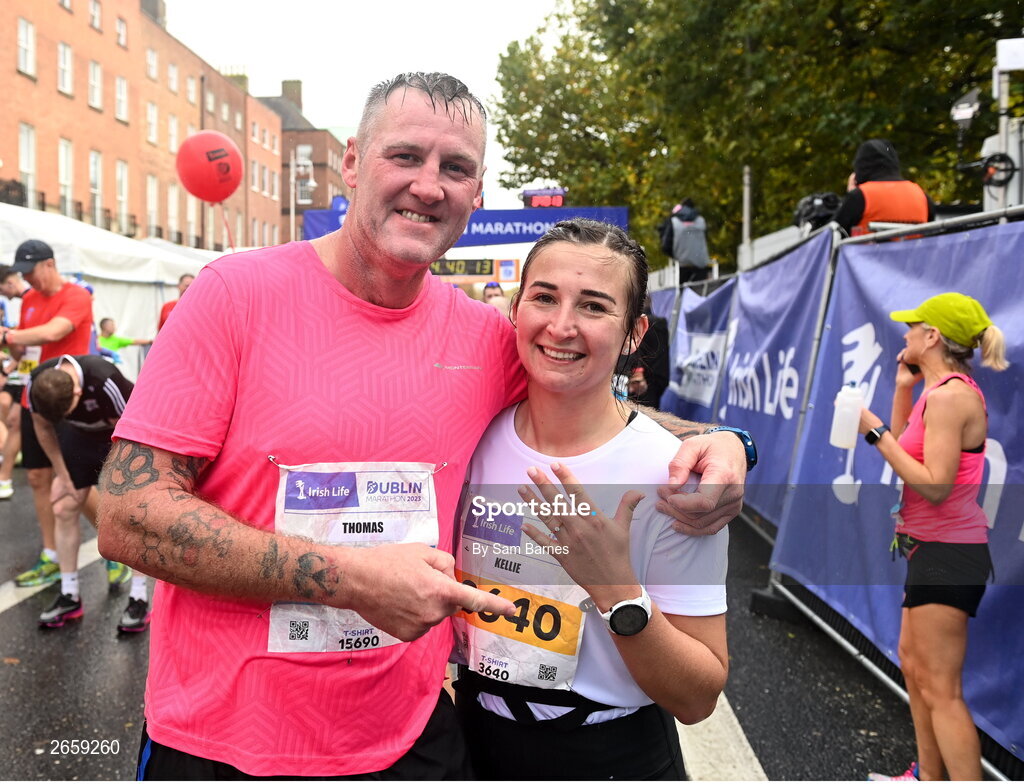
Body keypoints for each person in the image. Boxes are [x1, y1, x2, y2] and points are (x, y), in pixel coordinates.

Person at [96, 72, 749, 779]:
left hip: (412, 744)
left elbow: (580, 397)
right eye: (405, 156)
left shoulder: (483, 339)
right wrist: (351, 579)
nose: (429, 185)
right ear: (351, 162)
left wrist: (716, 442)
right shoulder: (234, 297)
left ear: (476, 192)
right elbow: (128, 515)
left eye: (456, 168)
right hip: (225, 746)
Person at [452, 219, 728, 780]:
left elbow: (699, 697)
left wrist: (617, 594)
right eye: (544, 297)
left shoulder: (671, 473)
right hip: (474, 743)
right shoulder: (468, 438)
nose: (561, 326)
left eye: (595, 307)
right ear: (515, 309)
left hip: (612, 757)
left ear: (633, 332)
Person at [857, 293, 1007, 782]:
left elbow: (936, 485)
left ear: (933, 337)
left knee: (941, 689)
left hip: (950, 553)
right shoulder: (934, 391)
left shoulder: (950, 397)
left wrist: (876, 431)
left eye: (912, 326)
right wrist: (902, 390)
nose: (904, 333)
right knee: (914, 668)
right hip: (930, 550)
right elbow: (905, 448)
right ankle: (926, 776)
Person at [0, 240, 101, 588]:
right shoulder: (28, 298)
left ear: (50, 264)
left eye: (31, 271)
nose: (28, 279)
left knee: (77, 482)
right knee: (38, 479)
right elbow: (25, 344)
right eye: (23, 273)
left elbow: (55, 331)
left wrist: (9, 333)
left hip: (67, 399)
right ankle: (51, 555)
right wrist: (11, 343)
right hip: (34, 396)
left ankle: (114, 548)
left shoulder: (77, 296)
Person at [25, 355, 150, 632]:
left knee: (131, 511)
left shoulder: (104, 378)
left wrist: (122, 480)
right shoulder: (37, 382)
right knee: (64, 506)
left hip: (119, 433)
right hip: (79, 435)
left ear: (78, 392)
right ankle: (70, 595)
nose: (63, 416)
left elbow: (134, 429)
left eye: (67, 410)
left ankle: (139, 598)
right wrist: (63, 473)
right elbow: (43, 427)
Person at [832, 139, 937, 237]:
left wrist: (851, 193)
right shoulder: (921, 196)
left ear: (861, 165)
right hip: (913, 256)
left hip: (870, 256)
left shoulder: (860, 196)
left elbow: (830, 236)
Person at [0, 265, 30, 500]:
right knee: (12, 420)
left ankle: (5, 477)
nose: (4, 298)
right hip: (22, 374)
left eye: (3, 291)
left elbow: (23, 343)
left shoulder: (32, 298)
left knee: (15, 423)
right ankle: (5, 478)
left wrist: (8, 338)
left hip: (36, 376)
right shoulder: (28, 302)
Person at [616, 294, 671, 409]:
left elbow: (633, 349)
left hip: (637, 382)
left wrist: (637, 371)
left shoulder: (634, 325)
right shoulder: (660, 323)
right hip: (650, 381)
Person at [658, 198, 711, 285]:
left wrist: (677, 255)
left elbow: (666, 246)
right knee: (698, 295)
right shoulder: (701, 221)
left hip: (681, 266)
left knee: (681, 295)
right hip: (701, 266)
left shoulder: (673, 221)